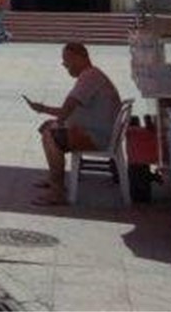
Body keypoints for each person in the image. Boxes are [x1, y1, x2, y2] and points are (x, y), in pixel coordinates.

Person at [24, 42, 123, 206]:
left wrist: (58, 123)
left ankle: (57, 191)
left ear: (80, 57)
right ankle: (53, 177)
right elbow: (68, 110)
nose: (65, 65)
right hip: (100, 133)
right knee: (47, 127)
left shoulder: (89, 77)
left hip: (97, 137)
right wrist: (43, 109)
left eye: (67, 60)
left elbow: (69, 106)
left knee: (51, 136)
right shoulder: (93, 74)